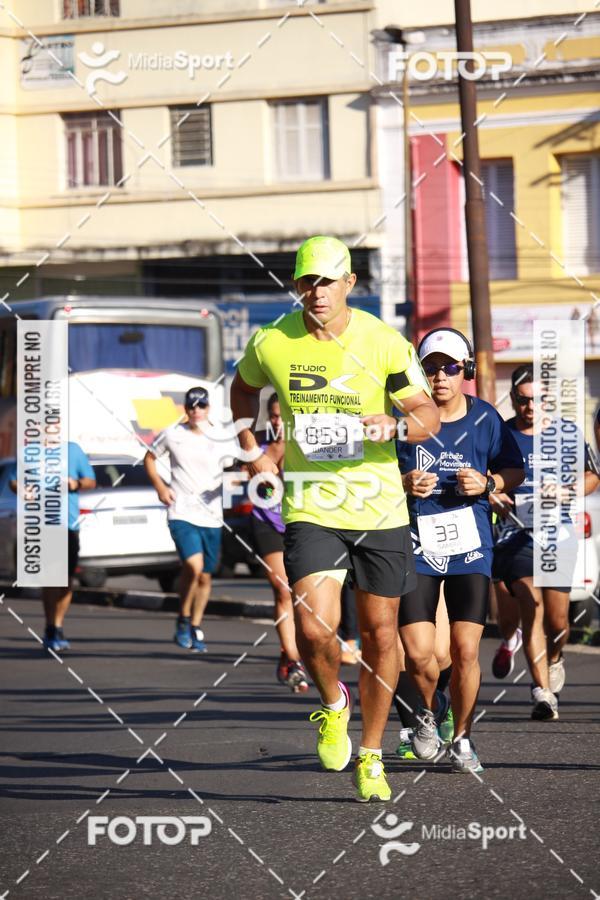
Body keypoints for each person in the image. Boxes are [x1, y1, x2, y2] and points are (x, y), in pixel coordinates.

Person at [231, 235, 440, 802]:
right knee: (314, 628)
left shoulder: (383, 342)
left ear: (350, 283)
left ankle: (370, 755)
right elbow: (242, 390)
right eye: (307, 281)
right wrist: (251, 449)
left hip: (380, 507)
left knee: (380, 635)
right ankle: (332, 702)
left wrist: (396, 425)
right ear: (297, 285)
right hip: (312, 503)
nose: (317, 291)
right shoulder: (273, 341)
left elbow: (428, 415)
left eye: (327, 281)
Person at [397, 328, 524, 773]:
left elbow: (513, 469)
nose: (440, 376)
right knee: (419, 653)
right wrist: (403, 482)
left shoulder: (485, 418)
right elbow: (372, 472)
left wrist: (489, 483)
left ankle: (464, 738)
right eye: (431, 368)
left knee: (466, 650)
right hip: (417, 545)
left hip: (470, 546)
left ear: (465, 370)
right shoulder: (403, 420)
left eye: (450, 367)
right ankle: (428, 713)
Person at [491, 365, 600, 719]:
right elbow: (485, 479)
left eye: (537, 400)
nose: (530, 407)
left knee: (558, 622)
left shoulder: (567, 433)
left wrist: (569, 490)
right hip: (515, 534)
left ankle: (554, 656)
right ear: (513, 399)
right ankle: (542, 692)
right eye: (523, 400)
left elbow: (592, 475)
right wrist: (494, 495)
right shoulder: (501, 435)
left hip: (557, 533)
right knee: (530, 604)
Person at [144, 386, 234, 653]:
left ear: (209, 408)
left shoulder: (222, 436)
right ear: (185, 409)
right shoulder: (173, 434)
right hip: (181, 512)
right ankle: (183, 617)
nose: (196, 410)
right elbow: (149, 458)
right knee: (193, 567)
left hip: (212, 516)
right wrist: (160, 487)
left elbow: (234, 467)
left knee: (205, 577)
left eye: (201, 406)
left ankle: (195, 624)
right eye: (192, 406)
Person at [9, 441, 96, 652]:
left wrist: (75, 483)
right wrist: (22, 491)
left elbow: (91, 481)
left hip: (69, 524)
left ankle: (58, 623)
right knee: (51, 577)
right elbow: (13, 480)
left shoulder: (73, 450)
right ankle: (51, 627)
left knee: (66, 580)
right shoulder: (27, 452)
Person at [249, 392, 309, 693]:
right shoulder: (258, 447)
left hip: (301, 522)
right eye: (273, 416)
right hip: (267, 522)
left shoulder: (307, 443)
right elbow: (258, 486)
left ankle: (289, 652)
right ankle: (295, 662)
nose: (277, 421)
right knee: (283, 589)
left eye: (282, 415)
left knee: (303, 596)